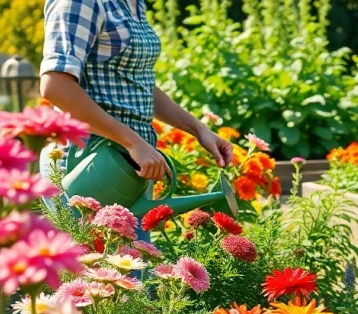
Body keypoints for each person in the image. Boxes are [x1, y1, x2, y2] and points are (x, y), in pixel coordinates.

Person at [39, 0, 232, 180]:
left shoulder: (134, 3)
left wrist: (199, 129)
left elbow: (136, 84)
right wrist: (132, 142)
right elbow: (56, 85)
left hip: (126, 163)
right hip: (85, 164)